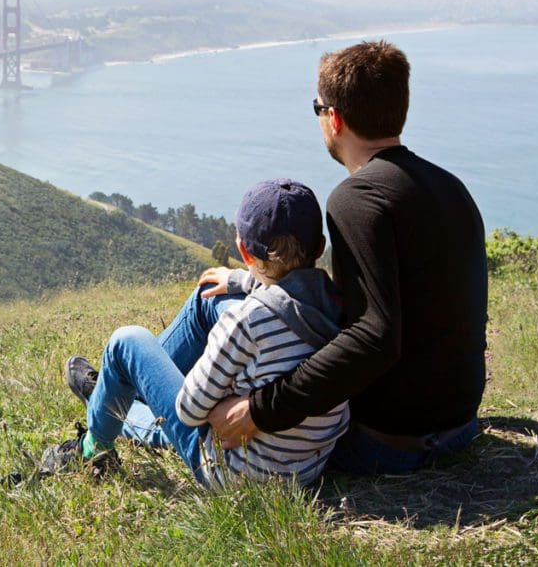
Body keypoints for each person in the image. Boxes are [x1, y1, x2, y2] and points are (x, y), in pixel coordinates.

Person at [207, 40, 488, 474]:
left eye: (318, 108)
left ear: (333, 118)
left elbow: (375, 335)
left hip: (391, 444)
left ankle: (130, 404)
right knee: (234, 298)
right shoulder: (450, 187)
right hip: (458, 427)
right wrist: (247, 281)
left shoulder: (357, 199)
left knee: (214, 310)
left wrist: (261, 411)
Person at [40, 179, 350, 487]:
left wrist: (222, 388)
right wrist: (241, 281)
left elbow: (188, 411)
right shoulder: (342, 308)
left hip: (231, 470)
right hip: (304, 470)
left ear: (243, 250)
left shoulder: (246, 322)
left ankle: (95, 442)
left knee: (127, 340)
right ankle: (118, 390)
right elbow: (289, 295)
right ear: (320, 247)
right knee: (211, 296)